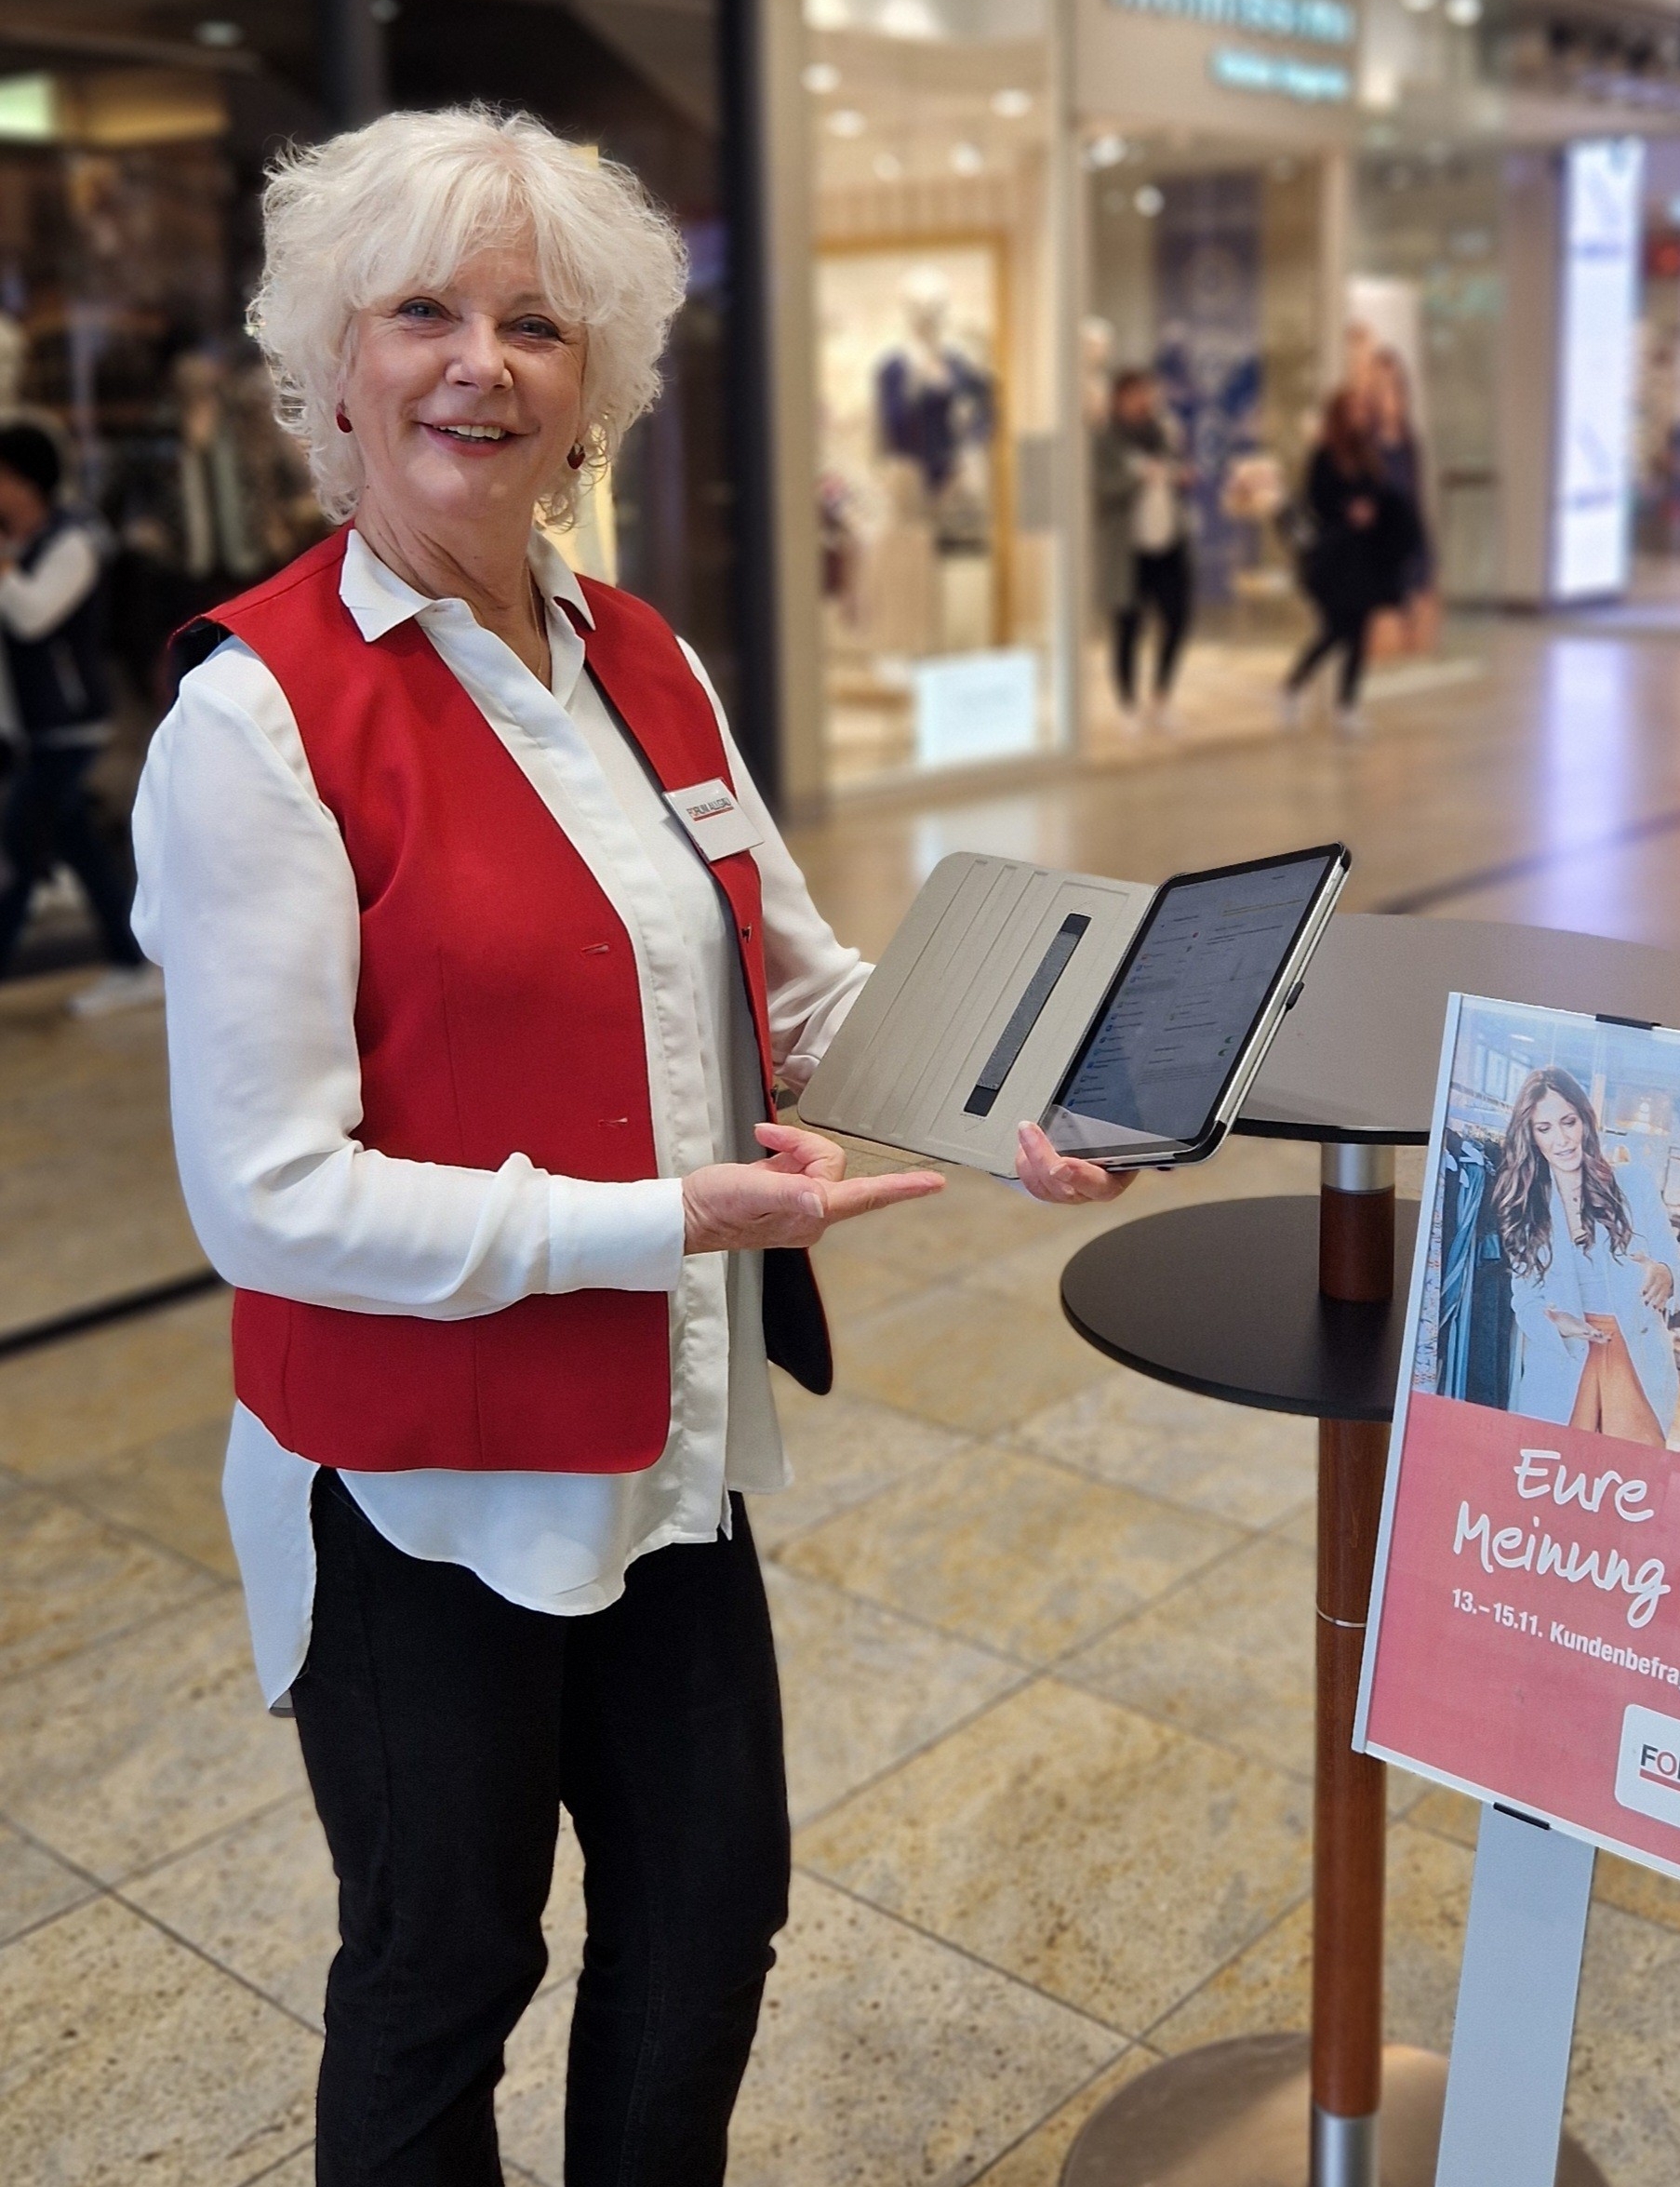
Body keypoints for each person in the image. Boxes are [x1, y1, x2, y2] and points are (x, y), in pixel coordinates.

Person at [130, 107, 1127, 2187]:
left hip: (661, 1445)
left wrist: (1023, 1092)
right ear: (330, 368)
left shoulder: (642, 658)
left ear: (597, 387)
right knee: (444, 1964)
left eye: (536, 325)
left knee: (706, 1914)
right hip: (417, 1485)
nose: (478, 364)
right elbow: (269, 1196)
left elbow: (804, 990)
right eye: (421, 312)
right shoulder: (257, 716)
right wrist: (667, 1215)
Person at [0, 421, 164, 1014]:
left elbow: (33, 617)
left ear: (24, 481)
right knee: (75, 845)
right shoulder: (22, 542)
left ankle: (133, 962)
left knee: (21, 845)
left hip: (73, 723)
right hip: (36, 725)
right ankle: (133, 961)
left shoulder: (74, 539)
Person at [1489, 1065, 1680, 1447]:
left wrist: (1666, 1274)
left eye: (1569, 1122)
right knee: (1559, 1469)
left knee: (1634, 1473)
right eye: (1545, 1128)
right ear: (1530, 1136)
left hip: (1634, 1357)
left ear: (1584, 1121)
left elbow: (1678, 1271)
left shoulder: (1634, 1185)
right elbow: (1524, 1300)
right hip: (1564, 1361)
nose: (1562, 1139)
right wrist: (1558, 1324)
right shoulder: (1526, 1206)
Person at [1281, 387, 1419, 739]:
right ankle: (1294, 685)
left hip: (1364, 558)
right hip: (1335, 558)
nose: (1360, 415)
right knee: (1335, 630)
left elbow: (1381, 494)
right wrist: (1346, 510)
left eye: (1362, 408)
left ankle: (1347, 706)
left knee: (1359, 633)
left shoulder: (1367, 454)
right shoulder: (1324, 455)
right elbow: (1316, 499)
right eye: (1353, 409)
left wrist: (1374, 511)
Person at [1092, 368, 1193, 732]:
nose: (1144, 400)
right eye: (1136, 394)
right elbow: (1100, 489)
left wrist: (1180, 477)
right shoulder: (1105, 440)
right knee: (1128, 628)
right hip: (1128, 551)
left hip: (1168, 543)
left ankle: (1161, 698)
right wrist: (1138, 477)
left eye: (1147, 393)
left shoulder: (1162, 434)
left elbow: (1174, 473)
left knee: (1177, 619)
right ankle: (1128, 705)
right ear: (1120, 398)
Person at [1370, 346, 1436, 654]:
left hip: (1414, 562)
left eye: (1396, 385)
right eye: (1382, 388)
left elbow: (1416, 506)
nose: (1391, 395)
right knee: (1385, 648)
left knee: (1420, 650)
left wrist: (1428, 568)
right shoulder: (1366, 448)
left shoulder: (1410, 444)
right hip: (1378, 569)